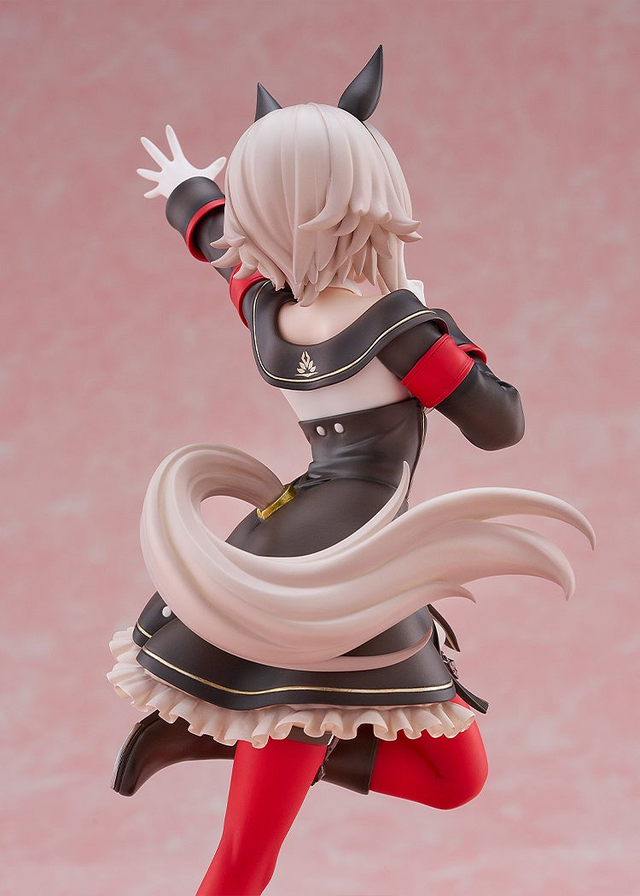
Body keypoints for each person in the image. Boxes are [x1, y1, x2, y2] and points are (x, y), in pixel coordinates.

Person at [109, 48, 593, 895]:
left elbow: (220, 244)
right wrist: (441, 327)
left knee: (456, 776)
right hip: (338, 578)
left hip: (307, 542)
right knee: (246, 855)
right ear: (366, 193)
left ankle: (257, 736)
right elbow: (500, 423)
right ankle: (269, 737)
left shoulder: (267, 306)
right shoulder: (397, 327)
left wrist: (187, 190)